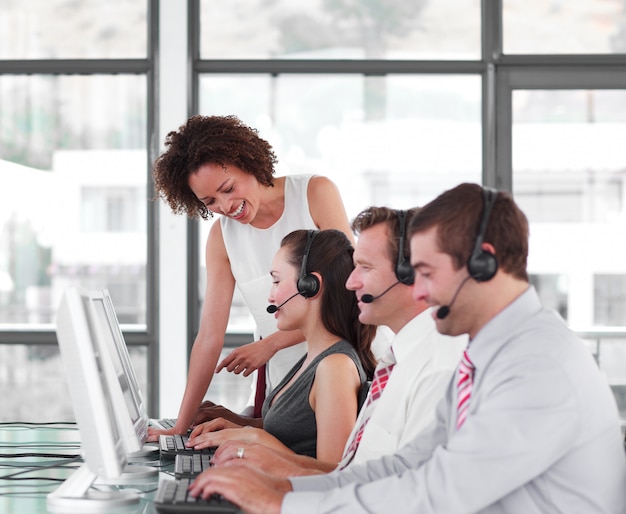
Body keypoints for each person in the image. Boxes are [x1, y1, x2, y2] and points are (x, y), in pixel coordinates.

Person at [188, 183, 626, 513]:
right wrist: (285, 491)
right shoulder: (483, 357)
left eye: (426, 271)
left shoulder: (537, 366)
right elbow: (401, 468)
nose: (418, 288)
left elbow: (441, 490)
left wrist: (283, 504)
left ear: (483, 264)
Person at [208, 206, 465, 476]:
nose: (351, 282)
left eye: (364, 267)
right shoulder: (397, 360)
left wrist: (261, 449)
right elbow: (353, 472)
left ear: (410, 275)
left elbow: (404, 486)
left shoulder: (436, 368)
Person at [148, 115, 354, 439]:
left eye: (228, 188)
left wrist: (269, 345)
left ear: (248, 161)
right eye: (210, 202)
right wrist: (177, 425)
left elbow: (349, 296)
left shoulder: (315, 193)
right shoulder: (222, 238)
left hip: (342, 367)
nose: (226, 206)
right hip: (286, 385)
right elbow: (209, 338)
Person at [185, 229, 376, 463]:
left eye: (276, 280)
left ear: (311, 285)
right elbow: (296, 434)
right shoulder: (314, 357)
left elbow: (333, 473)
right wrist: (239, 424)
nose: (270, 296)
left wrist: (253, 438)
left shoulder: (335, 367)